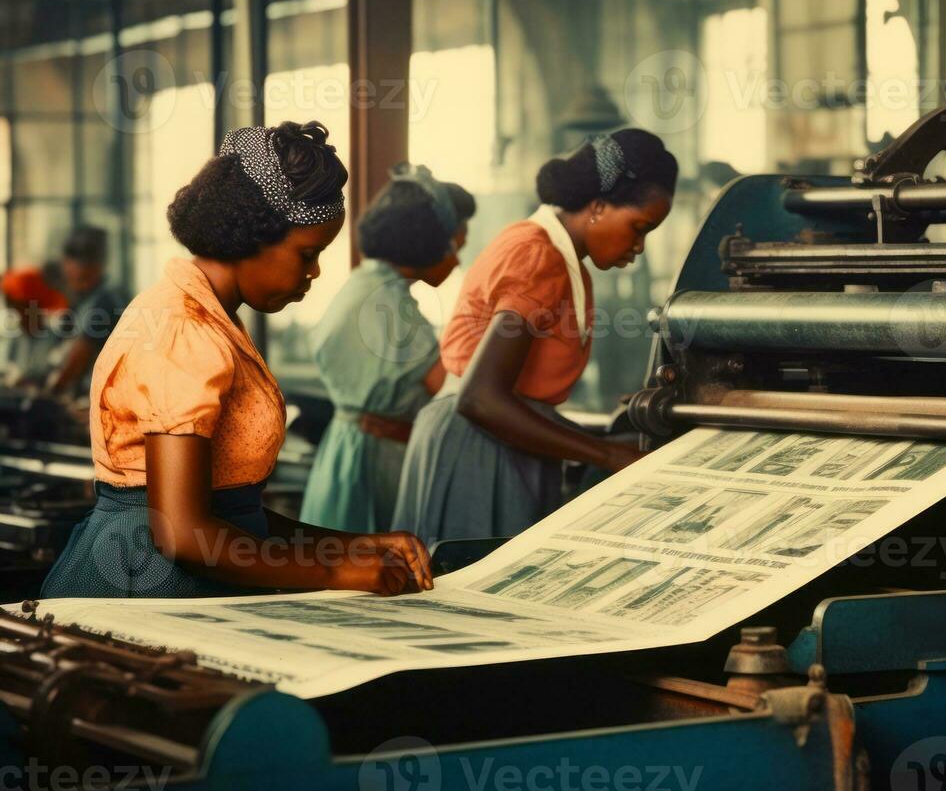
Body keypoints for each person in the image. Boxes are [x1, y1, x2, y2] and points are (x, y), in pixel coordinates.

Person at [40, 121, 433, 599]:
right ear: (247, 237)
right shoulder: (184, 329)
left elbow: (233, 514)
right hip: (149, 586)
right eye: (307, 253)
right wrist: (333, 572)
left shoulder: (210, 317)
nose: (314, 272)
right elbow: (183, 532)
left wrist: (355, 547)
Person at [392, 128, 677, 544]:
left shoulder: (563, 260)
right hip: (477, 447)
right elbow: (481, 398)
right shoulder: (538, 255)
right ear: (598, 207)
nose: (639, 246)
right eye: (639, 227)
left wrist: (609, 436)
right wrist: (608, 453)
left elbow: (524, 396)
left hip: (499, 442)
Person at [299, 164, 473, 534]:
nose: (457, 260)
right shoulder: (387, 302)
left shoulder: (367, 284)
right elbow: (450, 389)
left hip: (349, 450)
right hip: (377, 459)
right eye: (456, 246)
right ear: (429, 240)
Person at [47, 226, 125, 397]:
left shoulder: (104, 301)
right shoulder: (85, 299)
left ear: (95, 267)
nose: (68, 271)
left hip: (102, 398)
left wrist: (50, 393)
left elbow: (78, 359)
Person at [0, 266, 68, 387]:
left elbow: (56, 375)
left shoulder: (55, 338)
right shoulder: (12, 337)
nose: (16, 313)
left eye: (20, 307)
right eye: (13, 307)